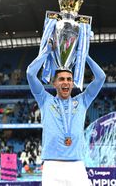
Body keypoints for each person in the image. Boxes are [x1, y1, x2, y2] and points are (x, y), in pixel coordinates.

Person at [26, 43, 105, 186]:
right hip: (52, 166)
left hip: (76, 165)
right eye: (61, 79)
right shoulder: (45, 100)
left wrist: (84, 56)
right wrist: (46, 51)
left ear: (73, 83)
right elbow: (30, 74)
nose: (66, 82)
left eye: (69, 79)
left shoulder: (82, 101)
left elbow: (101, 77)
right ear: (54, 83)